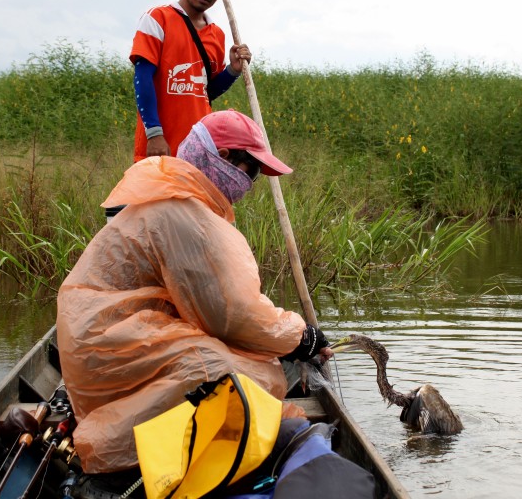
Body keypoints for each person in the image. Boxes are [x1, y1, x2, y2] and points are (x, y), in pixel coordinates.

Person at [57, 109, 331, 475]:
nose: (250, 182)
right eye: (250, 170)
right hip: (107, 348)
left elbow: (219, 307)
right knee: (223, 373)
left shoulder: (179, 198)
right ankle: (103, 449)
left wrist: (287, 338)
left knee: (256, 367)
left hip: (115, 338)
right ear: (223, 159)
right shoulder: (181, 211)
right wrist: (301, 337)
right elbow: (230, 313)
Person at [130, 0, 252, 162]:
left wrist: (232, 70)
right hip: (161, 146)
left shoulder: (216, 34)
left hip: (199, 149)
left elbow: (206, 92)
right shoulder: (158, 19)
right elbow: (143, 78)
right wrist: (154, 133)